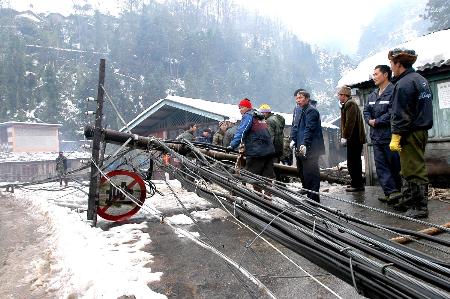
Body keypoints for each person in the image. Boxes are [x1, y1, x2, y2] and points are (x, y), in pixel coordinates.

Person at [388, 48, 433, 218]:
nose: (391, 67)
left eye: (392, 63)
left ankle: (420, 208)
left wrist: (396, 135)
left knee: (414, 169)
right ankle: (410, 201)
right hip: (421, 130)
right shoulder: (420, 79)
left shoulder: (404, 83)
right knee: (409, 168)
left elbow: (401, 113)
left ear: (398, 64)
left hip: (410, 132)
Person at [363, 65, 402, 203]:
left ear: (385, 75)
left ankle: (398, 191)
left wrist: (377, 121)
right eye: (373, 74)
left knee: (394, 165)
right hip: (376, 136)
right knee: (380, 166)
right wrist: (369, 121)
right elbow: (366, 111)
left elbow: (393, 112)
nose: (373, 77)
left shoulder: (393, 91)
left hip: (390, 136)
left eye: (376, 74)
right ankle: (390, 192)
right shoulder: (373, 94)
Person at [227, 98, 275, 197]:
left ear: (247, 107)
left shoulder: (248, 116)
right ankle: (267, 198)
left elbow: (242, 131)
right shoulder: (259, 116)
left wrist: (232, 145)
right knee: (267, 176)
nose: (240, 110)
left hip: (257, 151)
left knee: (252, 175)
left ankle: (257, 197)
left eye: (241, 108)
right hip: (269, 150)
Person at [290, 89, 325, 202]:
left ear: (307, 99)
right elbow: (296, 127)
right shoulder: (301, 110)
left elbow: (309, 129)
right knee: (305, 173)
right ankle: (310, 196)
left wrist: (305, 143)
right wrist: (293, 140)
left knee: (312, 174)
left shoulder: (311, 111)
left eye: (300, 98)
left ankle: (314, 199)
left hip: (311, 148)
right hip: (303, 147)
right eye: (297, 98)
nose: (298, 100)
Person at [338, 85, 367, 192]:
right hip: (353, 138)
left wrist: (345, 136)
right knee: (352, 162)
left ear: (345, 95)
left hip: (354, 138)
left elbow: (350, 122)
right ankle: (355, 182)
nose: (339, 97)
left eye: (340, 94)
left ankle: (358, 184)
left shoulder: (350, 104)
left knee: (354, 162)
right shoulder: (347, 104)